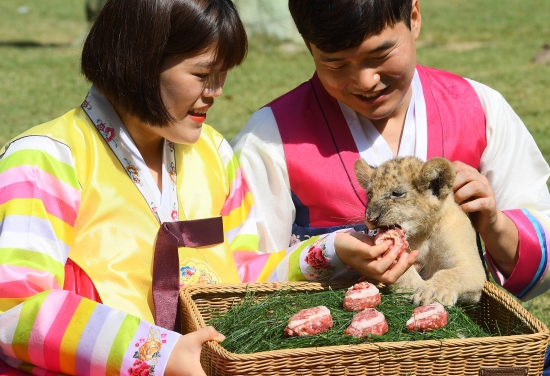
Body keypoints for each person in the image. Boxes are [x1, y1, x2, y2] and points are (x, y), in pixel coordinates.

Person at [0, 0, 410, 375]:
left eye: (221, 74)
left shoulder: (212, 152)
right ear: (137, 62)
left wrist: (333, 250)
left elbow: (240, 274)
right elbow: (15, 309)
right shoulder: (47, 159)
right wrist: (158, 353)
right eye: (201, 75)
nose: (216, 91)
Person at [231, 0, 550, 302]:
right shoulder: (270, 138)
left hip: (467, 357)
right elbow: (237, 274)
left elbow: (543, 259)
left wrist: (495, 225)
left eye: (380, 55)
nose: (366, 81)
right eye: (336, 62)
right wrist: (329, 251)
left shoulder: (479, 110)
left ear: (413, 17)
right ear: (308, 46)